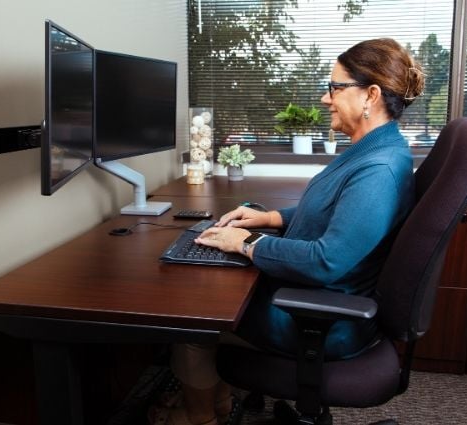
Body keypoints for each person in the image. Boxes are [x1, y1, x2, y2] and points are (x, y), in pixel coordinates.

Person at [148, 37, 425, 425]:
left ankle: (198, 417)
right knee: (216, 286)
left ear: (371, 96)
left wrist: (246, 243)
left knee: (196, 317)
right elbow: (332, 210)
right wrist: (270, 218)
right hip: (312, 299)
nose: (326, 99)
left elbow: (326, 261)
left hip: (321, 320)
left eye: (335, 87)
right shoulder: (374, 150)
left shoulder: (377, 170)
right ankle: (220, 402)